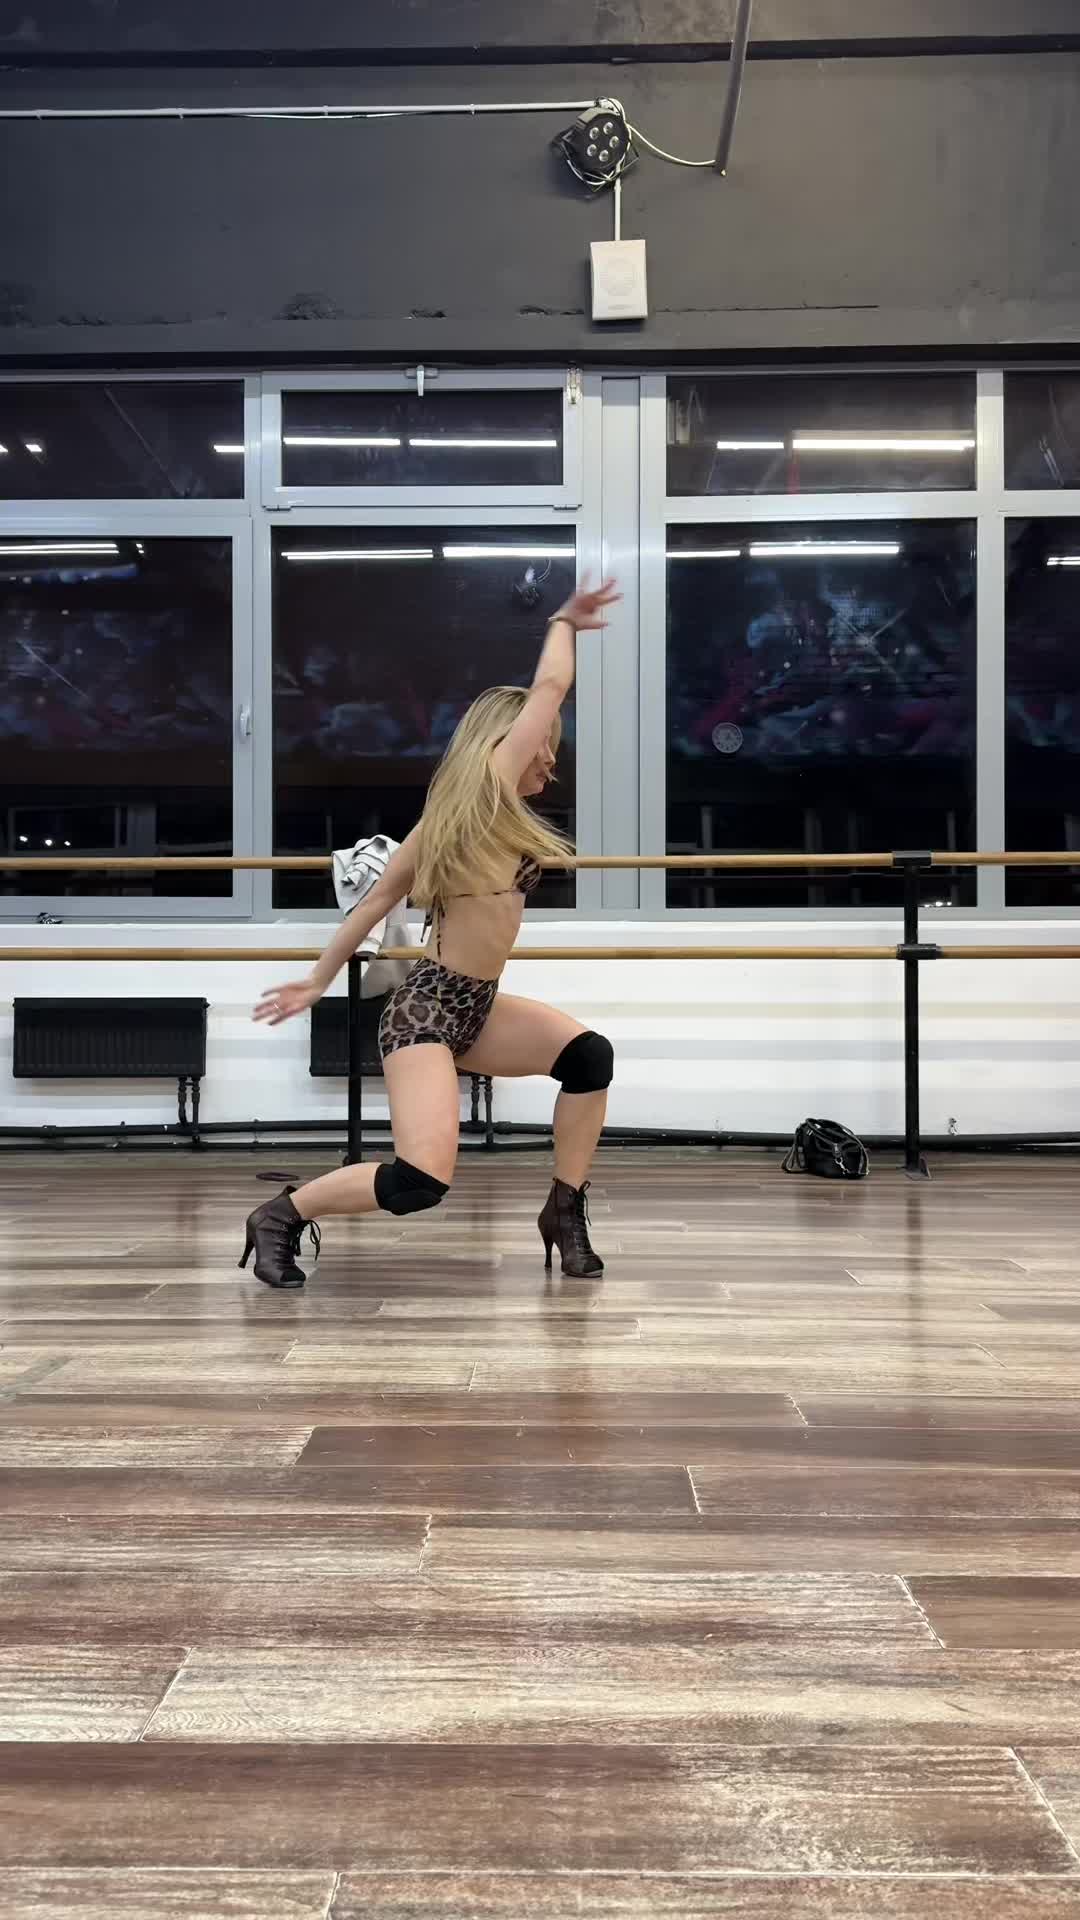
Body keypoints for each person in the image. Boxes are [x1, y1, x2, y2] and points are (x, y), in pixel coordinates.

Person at [240, 576, 621, 1291]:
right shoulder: (485, 792)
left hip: (476, 1004)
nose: (550, 758)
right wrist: (564, 623)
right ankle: (280, 1215)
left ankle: (564, 1210)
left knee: (588, 1057)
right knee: (419, 1181)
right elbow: (549, 687)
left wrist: (317, 979)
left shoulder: (457, 821)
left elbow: (375, 900)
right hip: (426, 1013)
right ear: (508, 743)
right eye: (544, 745)